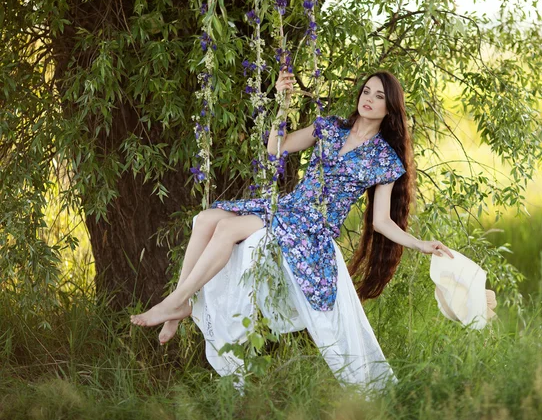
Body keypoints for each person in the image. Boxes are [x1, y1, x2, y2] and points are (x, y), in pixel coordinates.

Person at [131, 70, 453, 389]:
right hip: (289, 207)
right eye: (366, 91)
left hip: (311, 227)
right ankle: (179, 307)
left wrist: (420, 244)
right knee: (204, 219)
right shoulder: (331, 127)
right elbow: (276, 148)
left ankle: (176, 301)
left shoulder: (384, 159)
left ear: (390, 108)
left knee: (227, 229)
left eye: (379, 96)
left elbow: (382, 221)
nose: (369, 99)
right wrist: (282, 106)